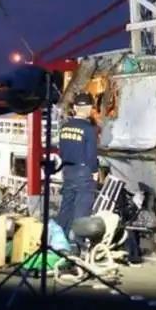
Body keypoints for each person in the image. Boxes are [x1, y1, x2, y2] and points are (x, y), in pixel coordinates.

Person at [56, 92, 98, 236]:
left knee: (66, 208)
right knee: (82, 211)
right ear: (89, 108)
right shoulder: (89, 129)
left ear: (74, 107)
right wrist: (95, 171)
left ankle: (60, 240)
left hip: (67, 171)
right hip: (83, 173)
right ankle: (77, 244)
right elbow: (91, 155)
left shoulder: (65, 127)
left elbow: (61, 151)